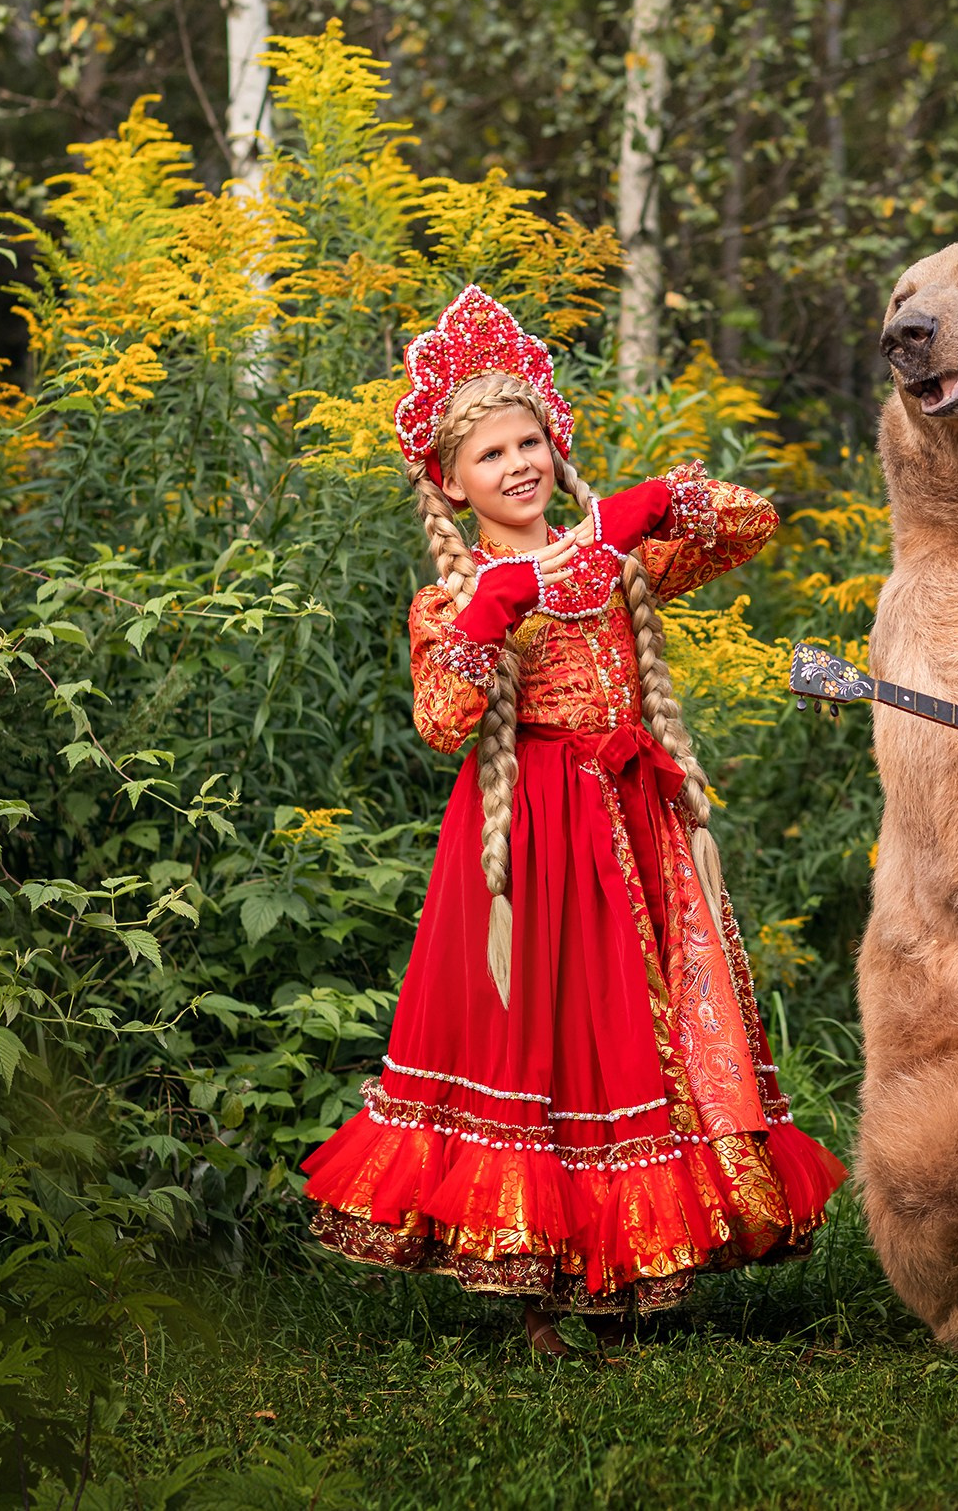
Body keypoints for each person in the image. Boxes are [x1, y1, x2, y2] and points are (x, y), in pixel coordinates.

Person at [301, 286, 845, 1353]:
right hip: (535, 840)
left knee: (644, 1044)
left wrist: (652, 504)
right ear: (450, 484)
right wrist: (498, 605)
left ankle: (636, 1270)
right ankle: (540, 1289)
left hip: (636, 825)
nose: (518, 465)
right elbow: (441, 723)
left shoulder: (613, 562)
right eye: (490, 454)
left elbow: (752, 522)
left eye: (529, 441)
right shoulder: (453, 600)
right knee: (546, 1044)